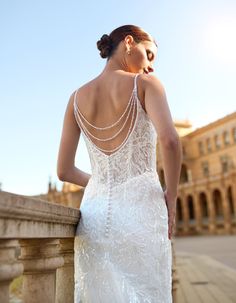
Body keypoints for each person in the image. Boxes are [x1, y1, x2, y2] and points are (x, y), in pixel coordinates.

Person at [57, 24, 182, 303]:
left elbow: (63, 170)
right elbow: (171, 142)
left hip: (95, 214)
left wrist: (104, 181)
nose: (150, 66)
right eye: (149, 54)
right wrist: (171, 196)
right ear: (129, 42)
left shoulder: (75, 99)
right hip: (143, 209)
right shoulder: (147, 85)